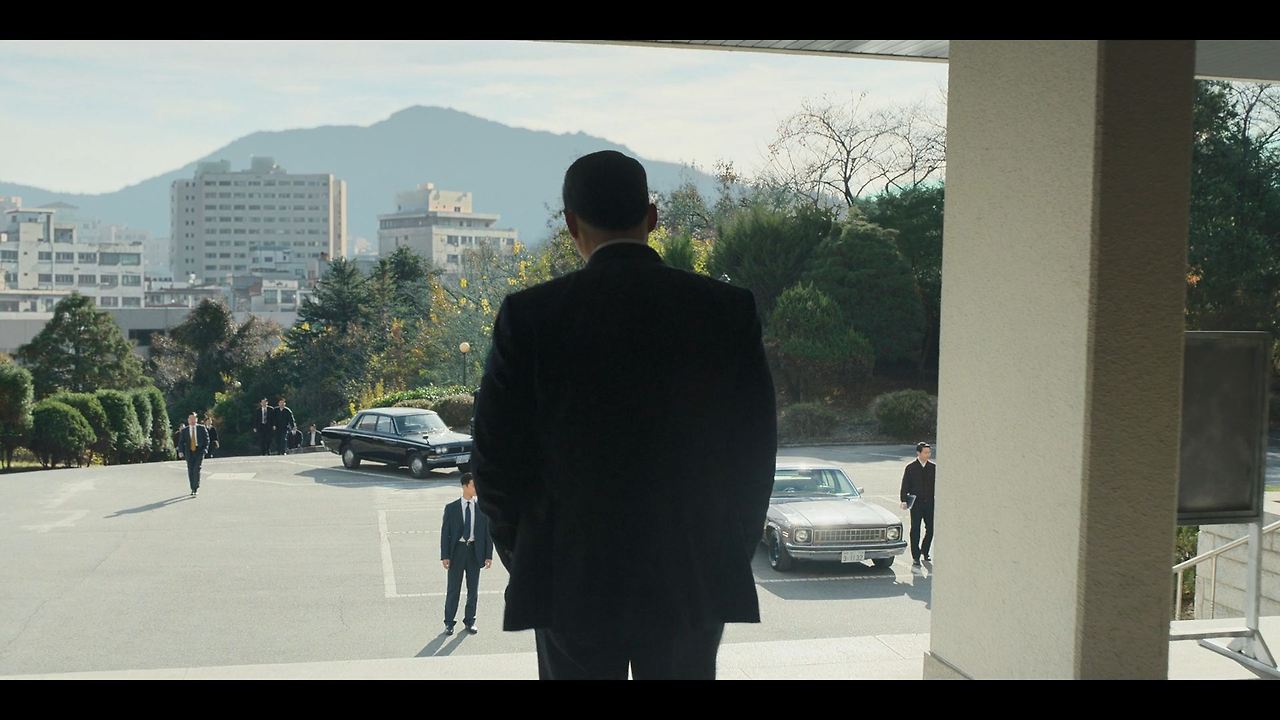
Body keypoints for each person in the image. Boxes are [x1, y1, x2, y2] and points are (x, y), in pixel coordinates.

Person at [473, 150, 776, 680]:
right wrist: (726, 546)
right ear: (652, 217)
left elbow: (494, 459)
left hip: (571, 575)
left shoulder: (532, 317)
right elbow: (754, 452)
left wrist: (531, 554)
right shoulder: (725, 311)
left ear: (571, 224)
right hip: (691, 572)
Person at [440, 473, 493, 636]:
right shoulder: (451, 508)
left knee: (473, 590)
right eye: (473, 485)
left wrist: (488, 555)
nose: (477, 488)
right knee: (453, 589)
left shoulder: (482, 508)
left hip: (474, 552)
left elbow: (488, 533)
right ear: (465, 486)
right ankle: (449, 623)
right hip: (457, 552)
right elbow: (445, 534)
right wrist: (445, 555)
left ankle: (470, 621)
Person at [900, 442, 937, 568]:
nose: (928, 455)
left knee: (931, 528)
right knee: (915, 529)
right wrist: (903, 500)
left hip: (930, 503)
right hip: (916, 504)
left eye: (929, 452)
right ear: (918, 453)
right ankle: (915, 556)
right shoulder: (911, 468)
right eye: (925, 452)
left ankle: (925, 551)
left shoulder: (933, 468)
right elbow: (905, 485)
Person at [176, 412, 210, 497]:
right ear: (188, 420)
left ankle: (195, 487)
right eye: (190, 419)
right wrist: (180, 451)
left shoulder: (201, 428)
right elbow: (181, 442)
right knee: (190, 469)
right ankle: (192, 488)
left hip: (199, 451)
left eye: (194, 418)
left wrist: (205, 450)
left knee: (196, 468)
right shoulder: (184, 430)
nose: (192, 420)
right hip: (189, 452)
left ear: (196, 419)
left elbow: (207, 440)